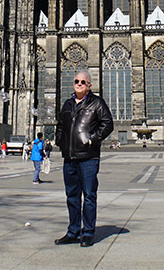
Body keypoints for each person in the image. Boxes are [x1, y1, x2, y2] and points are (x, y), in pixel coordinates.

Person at [55, 70, 114, 248]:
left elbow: (108, 124)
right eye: (76, 81)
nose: (79, 83)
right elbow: (60, 125)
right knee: (72, 196)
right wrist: (60, 141)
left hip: (88, 158)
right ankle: (73, 232)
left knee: (88, 196)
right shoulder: (67, 104)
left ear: (89, 85)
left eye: (83, 81)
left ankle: (87, 233)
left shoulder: (97, 103)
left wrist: (92, 139)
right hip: (70, 158)